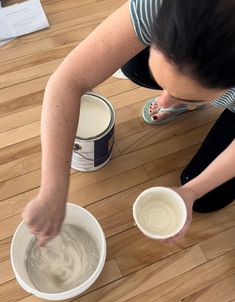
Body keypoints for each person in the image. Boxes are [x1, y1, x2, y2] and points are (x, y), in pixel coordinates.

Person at [23, 0, 235, 246]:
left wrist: (191, 192)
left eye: (186, 95)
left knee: (207, 199)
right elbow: (68, 81)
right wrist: (53, 189)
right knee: (134, 64)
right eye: (165, 86)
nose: (162, 101)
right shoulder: (159, 5)